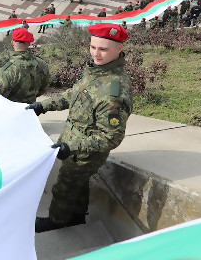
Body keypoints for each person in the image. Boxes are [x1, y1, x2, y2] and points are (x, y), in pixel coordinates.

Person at [28, 23, 133, 233]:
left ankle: (57, 221)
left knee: (65, 186)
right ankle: (76, 215)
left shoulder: (114, 91)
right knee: (78, 183)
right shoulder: (97, 72)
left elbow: (111, 137)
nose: (96, 54)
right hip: (74, 142)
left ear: (119, 48)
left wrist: (71, 147)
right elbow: (75, 94)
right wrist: (44, 105)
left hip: (85, 152)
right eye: (93, 47)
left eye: (103, 49)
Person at [0, 28, 49, 103]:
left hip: (12, 109)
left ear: (12, 43)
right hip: (31, 108)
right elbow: (44, 88)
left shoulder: (7, 70)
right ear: (29, 43)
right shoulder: (42, 64)